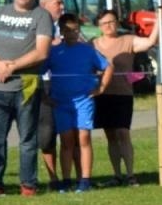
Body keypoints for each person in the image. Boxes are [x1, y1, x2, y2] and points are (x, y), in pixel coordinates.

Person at [0, 0, 54, 197]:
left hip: (26, 87)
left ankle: (28, 185)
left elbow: (41, 52)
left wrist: (11, 67)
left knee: (28, 139)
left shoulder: (41, 16)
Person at [92, 8, 162, 186]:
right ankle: (117, 175)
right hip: (101, 94)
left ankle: (131, 175)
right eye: (104, 23)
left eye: (112, 22)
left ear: (117, 22)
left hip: (123, 94)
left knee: (123, 133)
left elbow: (150, 42)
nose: (109, 26)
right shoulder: (92, 44)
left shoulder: (128, 40)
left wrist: (158, 19)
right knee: (110, 136)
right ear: (99, 26)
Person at [45, 14, 114, 193]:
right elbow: (38, 72)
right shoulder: (53, 51)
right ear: (60, 31)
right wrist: (44, 95)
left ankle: (85, 180)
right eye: (67, 30)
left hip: (84, 100)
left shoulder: (87, 50)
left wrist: (101, 88)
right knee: (67, 141)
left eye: (75, 30)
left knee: (84, 138)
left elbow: (107, 67)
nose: (72, 34)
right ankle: (66, 180)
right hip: (61, 102)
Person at [37, 0, 68, 190]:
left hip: (66, 84)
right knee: (47, 134)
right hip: (44, 84)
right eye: (58, 3)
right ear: (44, 5)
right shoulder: (36, 28)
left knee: (70, 133)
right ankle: (53, 178)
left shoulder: (66, 28)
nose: (62, 7)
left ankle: (72, 178)